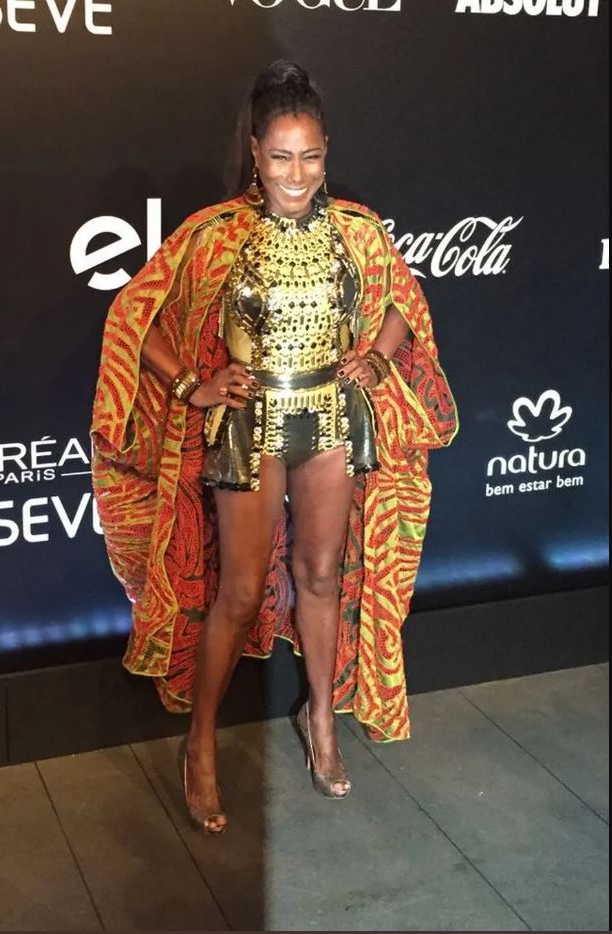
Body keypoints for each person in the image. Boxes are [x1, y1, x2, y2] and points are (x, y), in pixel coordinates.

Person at [91, 61, 457, 834]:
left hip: (330, 417)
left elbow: (405, 303)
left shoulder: (358, 228)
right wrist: (192, 384)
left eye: (311, 157)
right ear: (255, 153)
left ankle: (322, 722)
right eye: (282, 156)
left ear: (327, 154)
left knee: (321, 575)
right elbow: (133, 315)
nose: (297, 174)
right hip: (247, 424)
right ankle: (199, 745)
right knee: (241, 590)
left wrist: (378, 357)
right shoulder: (216, 233)